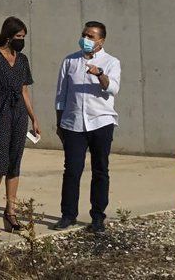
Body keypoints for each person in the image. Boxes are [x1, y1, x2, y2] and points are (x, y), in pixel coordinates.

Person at [52, 21, 121, 233]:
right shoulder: (70, 61)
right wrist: (60, 122)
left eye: (91, 36)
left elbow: (114, 88)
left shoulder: (111, 62)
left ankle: (98, 217)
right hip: (73, 123)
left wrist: (100, 74)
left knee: (100, 169)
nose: (86, 39)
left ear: (101, 40)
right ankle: (68, 215)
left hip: (101, 121)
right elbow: (61, 94)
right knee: (72, 170)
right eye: (84, 35)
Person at [0, 17, 41, 235]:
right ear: (8, 36)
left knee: (14, 163)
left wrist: (33, 117)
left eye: (23, 37)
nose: (21, 41)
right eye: (18, 37)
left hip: (19, 114)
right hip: (0, 110)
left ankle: (10, 212)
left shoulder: (22, 60)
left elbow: (25, 90)